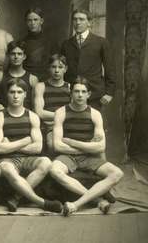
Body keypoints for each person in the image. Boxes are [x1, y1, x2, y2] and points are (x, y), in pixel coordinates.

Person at [50, 76, 123, 216]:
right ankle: (97, 200)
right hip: (68, 156)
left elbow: (100, 147)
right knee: (54, 170)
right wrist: (87, 146)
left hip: (88, 158)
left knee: (117, 173)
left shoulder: (95, 114)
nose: (80, 95)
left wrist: (72, 142)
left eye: (83, 92)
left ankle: (76, 205)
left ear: (89, 94)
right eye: (76, 91)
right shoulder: (61, 112)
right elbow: (58, 146)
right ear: (71, 93)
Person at [0, 78, 63, 213]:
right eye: (12, 92)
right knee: (5, 167)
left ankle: (16, 197)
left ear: (25, 94)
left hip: (28, 159)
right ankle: (41, 202)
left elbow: (37, 148)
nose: (16, 96)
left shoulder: (32, 116)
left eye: (19, 92)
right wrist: (25, 140)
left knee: (46, 162)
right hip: (8, 160)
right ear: (7, 94)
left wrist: (10, 145)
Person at [61, 9, 116, 110]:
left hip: (94, 94)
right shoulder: (66, 44)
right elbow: (61, 68)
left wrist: (109, 93)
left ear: (89, 22)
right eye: (75, 19)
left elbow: (110, 69)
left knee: (91, 124)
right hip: (70, 94)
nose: (77, 22)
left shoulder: (101, 42)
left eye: (81, 19)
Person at [34, 54, 70, 155]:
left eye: (60, 67)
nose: (57, 70)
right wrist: (63, 117)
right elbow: (40, 112)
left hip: (67, 125)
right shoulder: (41, 86)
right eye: (53, 67)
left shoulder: (70, 87)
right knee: (52, 144)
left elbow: (73, 111)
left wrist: (58, 118)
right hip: (50, 127)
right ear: (49, 68)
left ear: (65, 69)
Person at [0, 41, 38, 110]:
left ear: (24, 56)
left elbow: (35, 106)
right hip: (4, 116)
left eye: (19, 54)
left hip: (25, 118)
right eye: (13, 54)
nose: (16, 57)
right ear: (8, 56)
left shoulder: (32, 79)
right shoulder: (0, 76)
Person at [19, 7, 59, 81]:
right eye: (29, 20)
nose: (32, 23)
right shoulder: (21, 42)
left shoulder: (51, 41)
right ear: (26, 22)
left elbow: (56, 63)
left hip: (46, 79)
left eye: (35, 20)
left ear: (41, 21)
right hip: (27, 79)